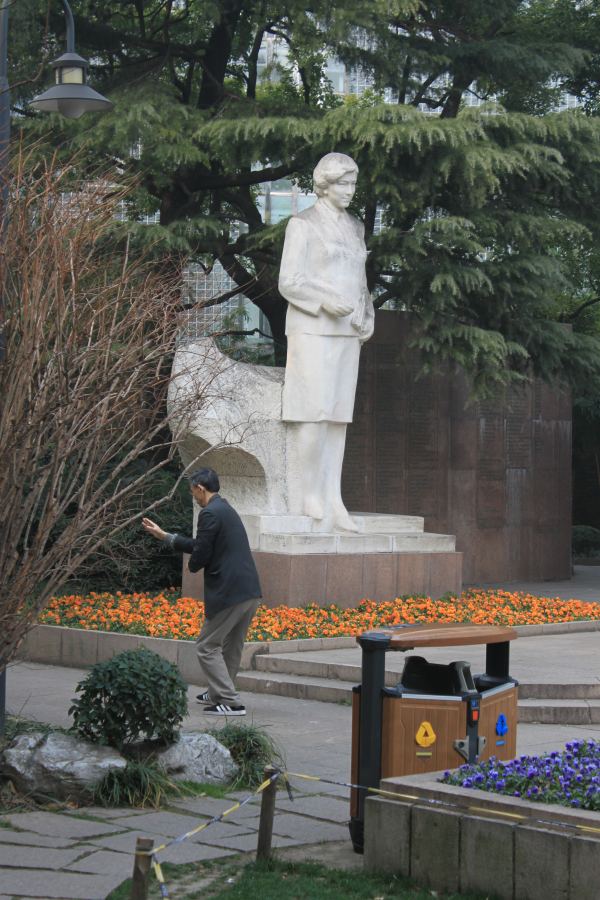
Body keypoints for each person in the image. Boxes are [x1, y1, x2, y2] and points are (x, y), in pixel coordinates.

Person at [279, 152, 374, 533]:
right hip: (313, 329)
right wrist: (324, 302)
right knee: (314, 412)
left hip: (348, 331)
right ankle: (309, 493)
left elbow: (360, 279)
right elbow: (289, 281)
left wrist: (367, 313)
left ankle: (334, 497)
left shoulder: (355, 227)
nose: (350, 191)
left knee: (338, 417)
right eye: (343, 184)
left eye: (353, 184)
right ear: (325, 185)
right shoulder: (302, 225)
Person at [142, 467, 261, 717]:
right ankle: (220, 692)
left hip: (229, 591)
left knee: (206, 645)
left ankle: (230, 700)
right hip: (248, 589)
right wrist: (165, 536)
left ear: (200, 488)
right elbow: (201, 544)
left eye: (193, 491)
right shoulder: (225, 509)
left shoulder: (209, 513)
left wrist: (193, 564)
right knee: (231, 646)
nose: (193, 496)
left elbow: (201, 553)